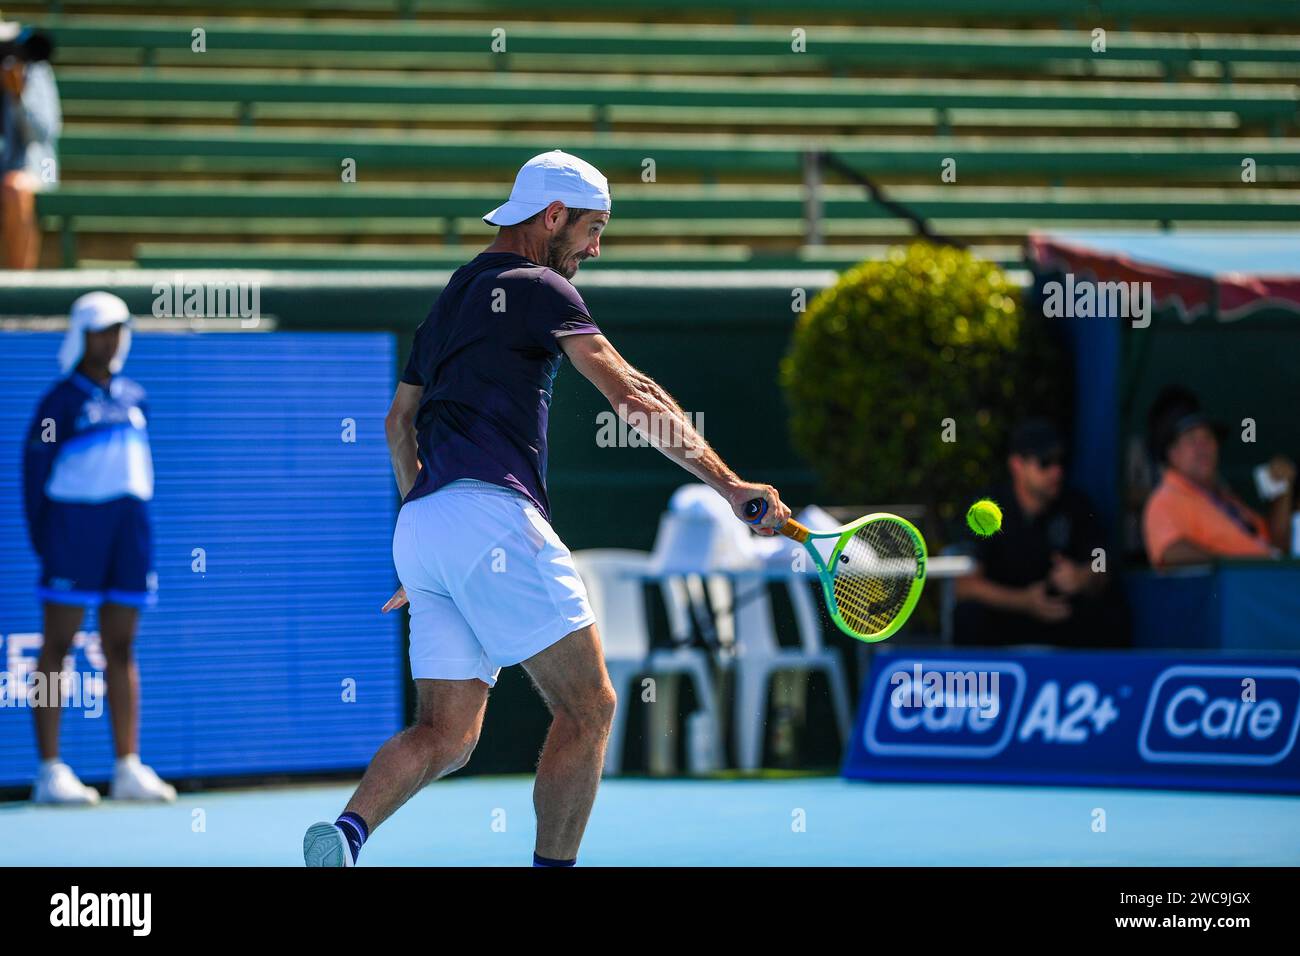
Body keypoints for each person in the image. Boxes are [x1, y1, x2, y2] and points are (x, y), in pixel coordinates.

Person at [302, 149, 790, 867]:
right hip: (490, 516)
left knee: (448, 733)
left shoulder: (455, 293)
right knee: (589, 706)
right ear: (552, 216)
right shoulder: (539, 286)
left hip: (424, 525)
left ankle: (346, 835)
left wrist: (426, 532)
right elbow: (630, 399)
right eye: (593, 230)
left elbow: (396, 424)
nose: (595, 249)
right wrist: (733, 486)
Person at [21, 291, 176, 804]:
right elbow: (34, 474)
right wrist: (49, 538)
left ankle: (127, 767)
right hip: (73, 531)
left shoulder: (137, 396)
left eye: (118, 330)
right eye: (101, 330)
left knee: (122, 645)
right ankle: (49, 772)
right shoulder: (58, 403)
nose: (111, 341)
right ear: (81, 335)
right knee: (57, 646)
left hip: (129, 531)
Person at [953, 418, 1129, 648]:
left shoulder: (1076, 505)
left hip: (1060, 618)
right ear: (1017, 465)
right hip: (1004, 618)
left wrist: (1083, 576)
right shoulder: (985, 510)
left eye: (1060, 461)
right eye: (1045, 462)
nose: (1056, 471)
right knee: (969, 614)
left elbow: (1102, 565)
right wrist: (1024, 601)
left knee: (1109, 611)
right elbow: (965, 586)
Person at [1142, 385, 1294, 568]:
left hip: (1267, 586)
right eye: (1191, 439)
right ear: (1172, 453)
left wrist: (1283, 491)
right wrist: (1230, 567)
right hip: (1236, 591)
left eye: (1208, 438)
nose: (1202, 447)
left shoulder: (1225, 498)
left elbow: (1277, 547)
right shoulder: (1166, 498)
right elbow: (1171, 552)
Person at [1, 24, 60, 269]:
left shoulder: (37, 72)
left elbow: (45, 133)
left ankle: (19, 285)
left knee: (15, 188)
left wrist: (18, 96)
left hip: (42, 165)